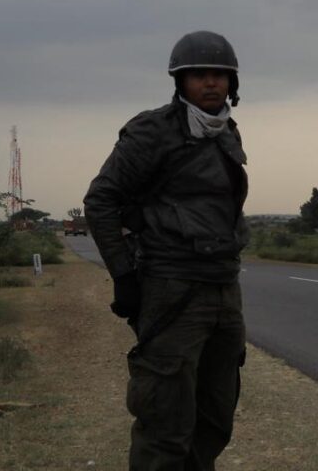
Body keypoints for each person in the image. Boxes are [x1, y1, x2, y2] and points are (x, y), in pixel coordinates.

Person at [84, 30, 250, 471]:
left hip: (223, 288)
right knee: (165, 421)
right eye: (199, 75)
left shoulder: (227, 133)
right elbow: (100, 200)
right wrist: (123, 275)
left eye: (220, 75)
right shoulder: (152, 131)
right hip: (172, 290)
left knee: (216, 416)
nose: (211, 83)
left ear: (233, 83)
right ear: (180, 82)